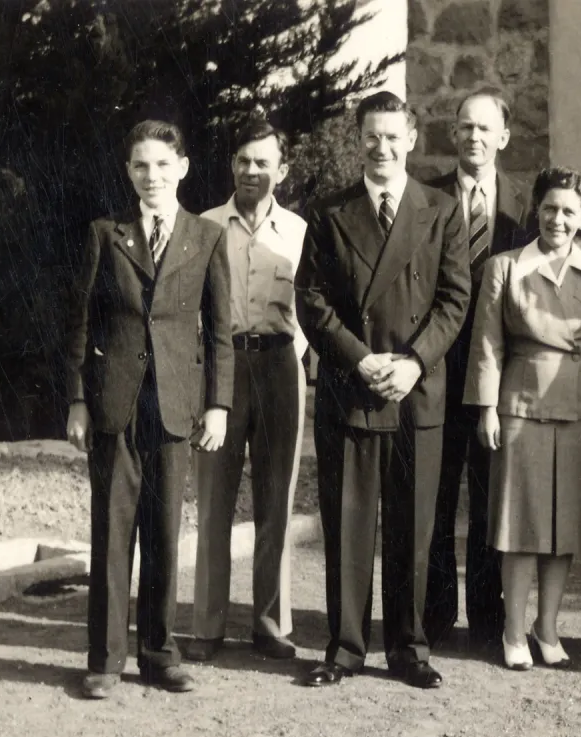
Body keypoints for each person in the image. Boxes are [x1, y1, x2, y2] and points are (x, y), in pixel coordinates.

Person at [294, 91, 470, 690]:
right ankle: (345, 648)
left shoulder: (441, 210)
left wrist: (415, 363)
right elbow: (311, 300)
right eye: (371, 136)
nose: (382, 148)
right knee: (347, 527)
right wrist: (360, 358)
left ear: (412, 140)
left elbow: (455, 300)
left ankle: (408, 649)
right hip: (354, 386)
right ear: (358, 139)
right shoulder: (328, 212)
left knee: (413, 526)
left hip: (416, 391)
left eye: (393, 136)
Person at [65, 119, 233, 700]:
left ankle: (161, 655)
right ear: (128, 172)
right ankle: (105, 660)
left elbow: (219, 332)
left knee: (164, 534)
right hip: (114, 405)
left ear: (183, 167)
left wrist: (217, 406)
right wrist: (78, 400)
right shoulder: (104, 234)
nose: (152, 176)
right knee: (111, 534)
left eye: (163, 164)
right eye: (141, 165)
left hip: (174, 409)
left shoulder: (206, 238)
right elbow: (80, 323)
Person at [466, 166, 581, 671]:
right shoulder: (505, 268)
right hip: (522, 407)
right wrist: (487, 408)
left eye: (569, 212)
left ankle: (548, 628)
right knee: (521, 526)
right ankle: (513, 631)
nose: (557, 220)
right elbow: (488, 344)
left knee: (566, 529)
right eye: (549, 209)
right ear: (535, 211)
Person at [184, 114, 307, 665]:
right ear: (230, 165)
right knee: (213, 499)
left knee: (276, 500)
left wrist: (294, 355)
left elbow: (314, 308)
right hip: (221, 368)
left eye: (263, 161)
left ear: (282, 169)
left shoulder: (303, 232)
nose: (251, 170)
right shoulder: (205, 226)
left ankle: (269, 623)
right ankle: (207, 625)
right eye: (242, 160)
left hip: (281, 366)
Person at [423, 88, 538, 650]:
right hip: (438, 373)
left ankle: (490, 621)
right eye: (465, 127)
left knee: (494, 499)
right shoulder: (428, 198)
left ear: (504, 137)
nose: (474, 137)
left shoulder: (527, 205)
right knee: (437, 495)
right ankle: (435, 615)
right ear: (455, 135)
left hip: (502, 375)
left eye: (484, 129)